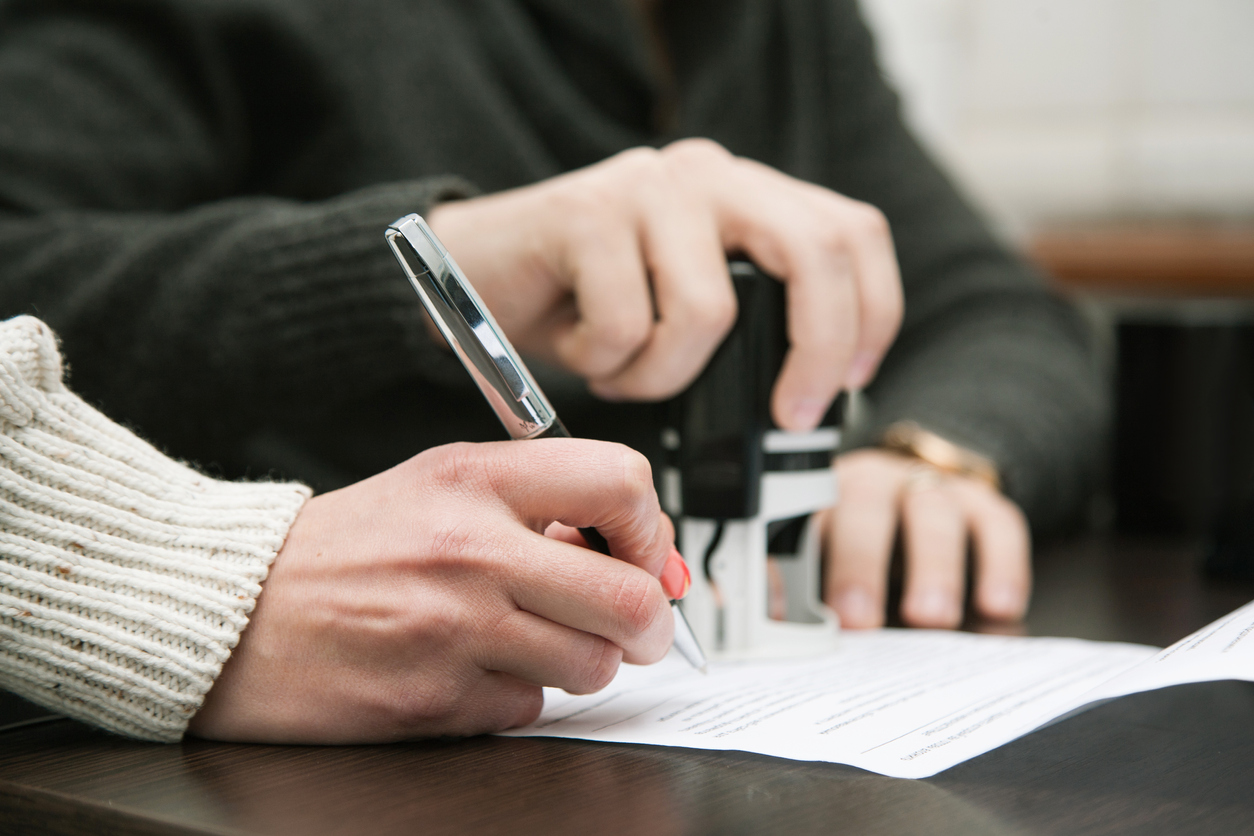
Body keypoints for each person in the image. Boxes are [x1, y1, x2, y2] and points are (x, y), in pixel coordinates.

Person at [0, 1, 1105, 738]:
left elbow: (994, 306)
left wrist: (933, 451)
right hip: (304, 749)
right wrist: (431, 262)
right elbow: (26, 274)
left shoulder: (774, 20)